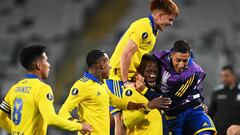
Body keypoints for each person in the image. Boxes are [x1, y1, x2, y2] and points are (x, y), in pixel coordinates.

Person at [108, 0, 179, 134]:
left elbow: (137, 57)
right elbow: (126, 54)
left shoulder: (153, 31)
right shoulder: (143, 26)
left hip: (129, 76)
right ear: (159, 15)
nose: (171, 23)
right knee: (120, 118)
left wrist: (135, 74)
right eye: (170, 19)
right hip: (117, 77)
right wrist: (125, 81)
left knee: (130, 116)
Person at [58, 49, 164, 135]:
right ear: (101, 65)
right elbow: (63, 112)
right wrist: (79, 125)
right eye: (108, 62)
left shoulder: (102, 85)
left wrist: (145, 105)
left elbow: (118, 102)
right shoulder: (82, 85)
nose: (110, 66)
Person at [0, 45, 92, 134]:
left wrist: (15, 131)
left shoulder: (14, 88)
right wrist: (80, 126)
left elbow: (1, 118)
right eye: (46, 60)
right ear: (39, 65)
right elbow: (51, 119)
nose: (49, 65)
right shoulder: (42, 89)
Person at [137, 40, 217, 135]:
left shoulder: (194, 73)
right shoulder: (159, 58)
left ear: (190, 57)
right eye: (178, 60)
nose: (181, 65)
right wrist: (137, 76)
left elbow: (172, 100)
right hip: (172, 116)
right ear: (171, 55)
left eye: (185, 61)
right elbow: (142, 67)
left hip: (191, 110)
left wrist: (145, 91)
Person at [121, 54, 171, 135]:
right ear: (141, 72)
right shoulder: (131, 91)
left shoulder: (157, 92)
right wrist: (148, 106)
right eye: (148, 71)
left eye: (155, 72)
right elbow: (128, 121)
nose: (152, 75)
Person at [209, 65, 240, 135]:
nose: (223, 78)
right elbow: (211, 113)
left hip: (234, 132)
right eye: (221, 76)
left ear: (233, 76)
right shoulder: (217, 92)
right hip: (218, 132)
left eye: (226, 76)